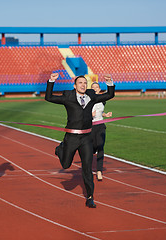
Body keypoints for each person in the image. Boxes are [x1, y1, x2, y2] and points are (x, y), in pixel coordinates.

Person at [45, 73, 115, 208]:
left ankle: (90, 197)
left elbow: (109, 95)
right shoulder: (68, 96)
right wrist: (51, 81)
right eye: (80, 83)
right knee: (65, 165)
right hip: (71, 137)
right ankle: (60, 149)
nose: (83, 85)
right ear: (75, 86)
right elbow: (49, 97)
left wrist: (110, 83)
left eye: (84, 83)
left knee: (87, 168)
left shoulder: (91, 96)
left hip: (86, 138)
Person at [91, 82, 112, 181]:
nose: (95, 89)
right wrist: (89, 115)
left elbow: (100, 112)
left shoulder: (103, 101)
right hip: (90, 127)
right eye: (93, 87)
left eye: (97, 87)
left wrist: (105, 114)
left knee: (100, 147)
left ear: (99, 89)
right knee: (92, 149)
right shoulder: (87, 100)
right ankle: (88, 169)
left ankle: (99, 171)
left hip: (100, 126)